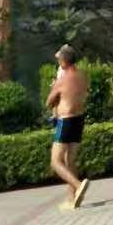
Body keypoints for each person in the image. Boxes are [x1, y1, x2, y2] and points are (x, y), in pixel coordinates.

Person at [45, 45, 89, 210]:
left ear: (63, 62)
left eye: (59, 59)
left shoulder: (62, 80)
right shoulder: (82, 76)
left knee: (56, 162)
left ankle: (78, 185)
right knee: (69, 160)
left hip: (66, 121)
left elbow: (49, 102)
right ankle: (72, 199)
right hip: (79, 119)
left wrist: (54, 88)